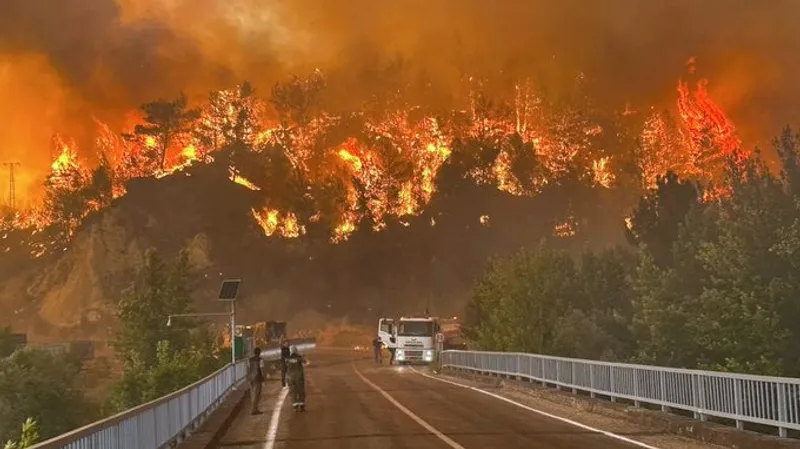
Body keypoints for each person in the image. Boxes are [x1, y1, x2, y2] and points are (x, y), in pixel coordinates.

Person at [285, 345, 306, 411]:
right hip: (299, 376)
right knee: (301, 391)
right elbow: (305, 362)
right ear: (296, 350)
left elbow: (286, 365)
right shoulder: (299, 357)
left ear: (290, 350)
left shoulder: (287, 358)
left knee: (293, 391)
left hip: (290, 377)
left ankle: (295, 406)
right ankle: (302, 405)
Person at [247, 347, 265, 415]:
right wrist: (263, 378)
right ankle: (254, 409)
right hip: (257, 378)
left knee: (252, 394)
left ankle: (254, 408)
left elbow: (248, 368)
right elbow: (262, 369)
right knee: (257, 394)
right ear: (259, 352)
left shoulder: (250, 360)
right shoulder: (260, 360)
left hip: (250, 378)